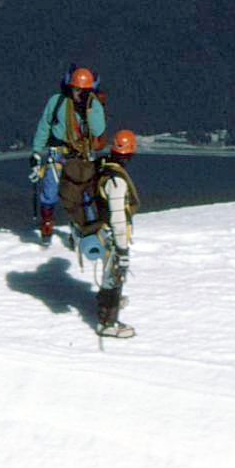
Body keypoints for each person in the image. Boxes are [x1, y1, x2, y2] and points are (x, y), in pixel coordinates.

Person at [28, 66, 106, 243]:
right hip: (57, 154)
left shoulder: (93, 106)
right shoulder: (57, 101)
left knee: (83, 195)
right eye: (76, 89)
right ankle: (47, 223)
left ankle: (83, 230)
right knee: (50, 192)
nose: (79, 93)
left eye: (83, 90)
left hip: (81, 156)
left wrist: (89, 109)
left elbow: (98, 130)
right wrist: (37, 152)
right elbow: (45, 125)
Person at [93, 129, 140, 338]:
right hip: (111, 233)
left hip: (101, 230)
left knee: (109, 271)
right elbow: (118, 217)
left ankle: (106, 302)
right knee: (115, 274)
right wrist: (122, 248)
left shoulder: (104, 167)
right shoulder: (117, 180)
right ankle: (107, 323)